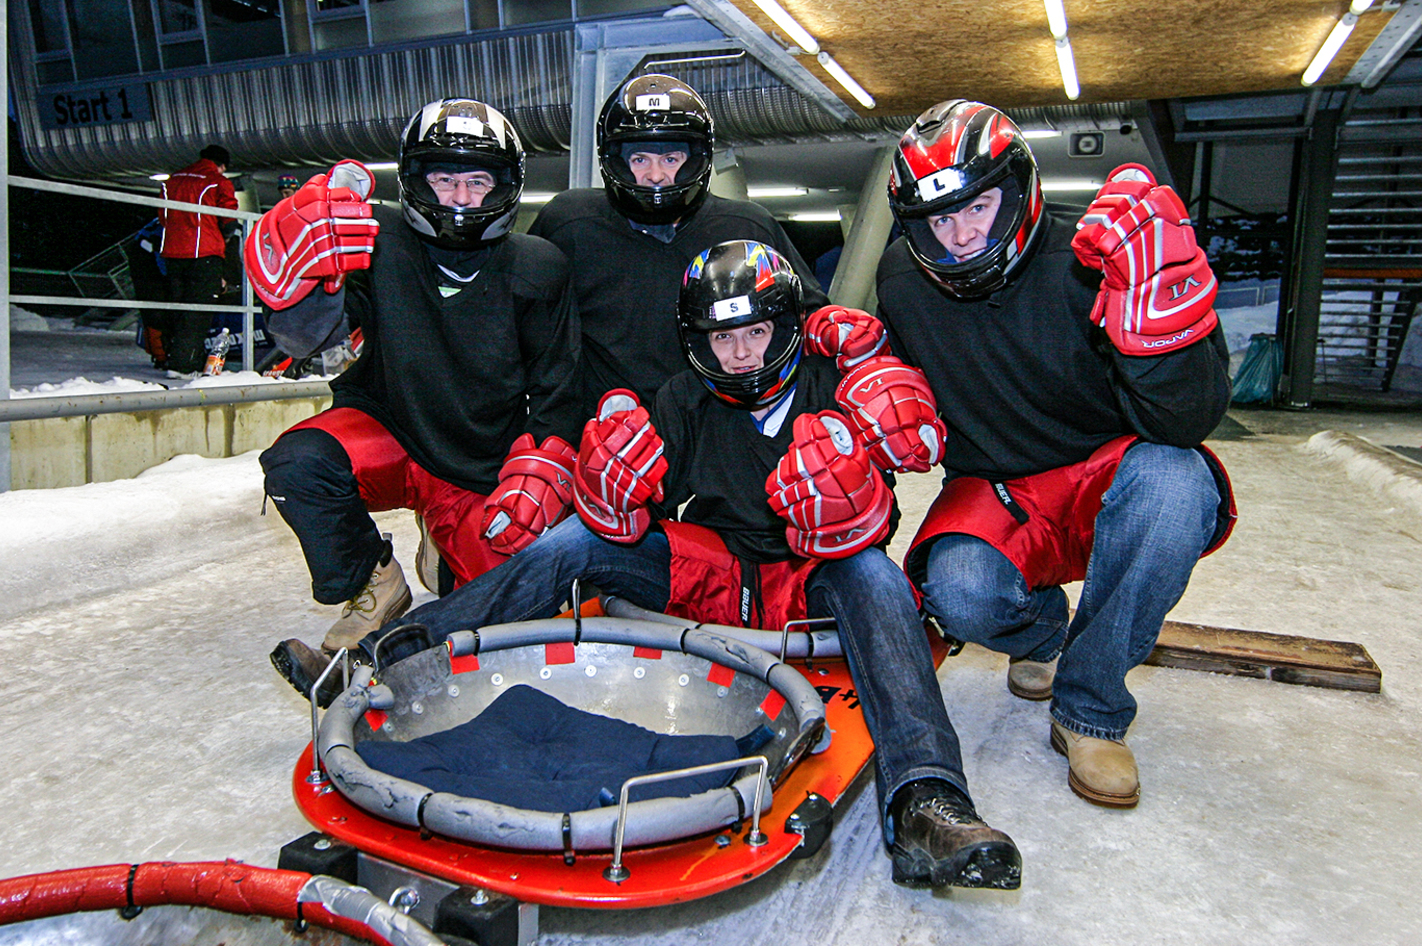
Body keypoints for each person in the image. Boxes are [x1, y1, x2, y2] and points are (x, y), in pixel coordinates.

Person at [271, 240, 1021, 891]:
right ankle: (384, 654)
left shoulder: (839, 383)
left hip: (811, 581)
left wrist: (864, 498)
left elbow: (912, 452)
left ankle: (928, 800)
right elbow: (621, 513)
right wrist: (607, 487)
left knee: (880, 579)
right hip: (715, 576)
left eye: (756, 332)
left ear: (784, 326)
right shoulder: (681, 399)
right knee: (574, 541)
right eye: (721, 339)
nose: (741, 355)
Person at [870, 100, 1236, 809]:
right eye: (938, 220)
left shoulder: (1096, 258)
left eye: (976, 207)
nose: (960, 234)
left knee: (1177, 483)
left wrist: (1168, 340)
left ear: (1017, 190)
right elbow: (902, 394)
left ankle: (1090, 709)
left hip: (1112, 472)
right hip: (999, 483)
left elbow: (1186, 421)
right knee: (958, 592)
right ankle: (1043, 636)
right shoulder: (903, 282)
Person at [246, 98, 583, 656]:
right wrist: (298, 298)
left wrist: (544, 461)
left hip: (480, 458)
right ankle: (376, 584)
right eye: (444, 178)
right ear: (414, 181)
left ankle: (443, 546)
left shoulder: (539, 266)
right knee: (299, 465)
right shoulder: (370, 239)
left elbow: (558, 384)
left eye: (477, 181)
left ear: (505, 186)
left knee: (507, 620)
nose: (459, 197)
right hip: (388, 431)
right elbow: (316, 342)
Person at [529, 73, 830, 418]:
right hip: (607, 430)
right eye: (640, 159)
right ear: (615, 161)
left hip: (716, 426)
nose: (656, 176)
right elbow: (525, 321)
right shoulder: (570, 224)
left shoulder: (747, 227)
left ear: (696, 160)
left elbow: (804, 320)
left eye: (670, 159)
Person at [158, 144, 238, 377]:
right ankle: (184, 366)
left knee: (177, 308)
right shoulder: (216, 180)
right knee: (198, 310)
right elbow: (229, 217)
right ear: (221, 165)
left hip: (172, 252)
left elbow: (163, 217)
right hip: (204, 252)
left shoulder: (172, 180)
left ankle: (171, 358)